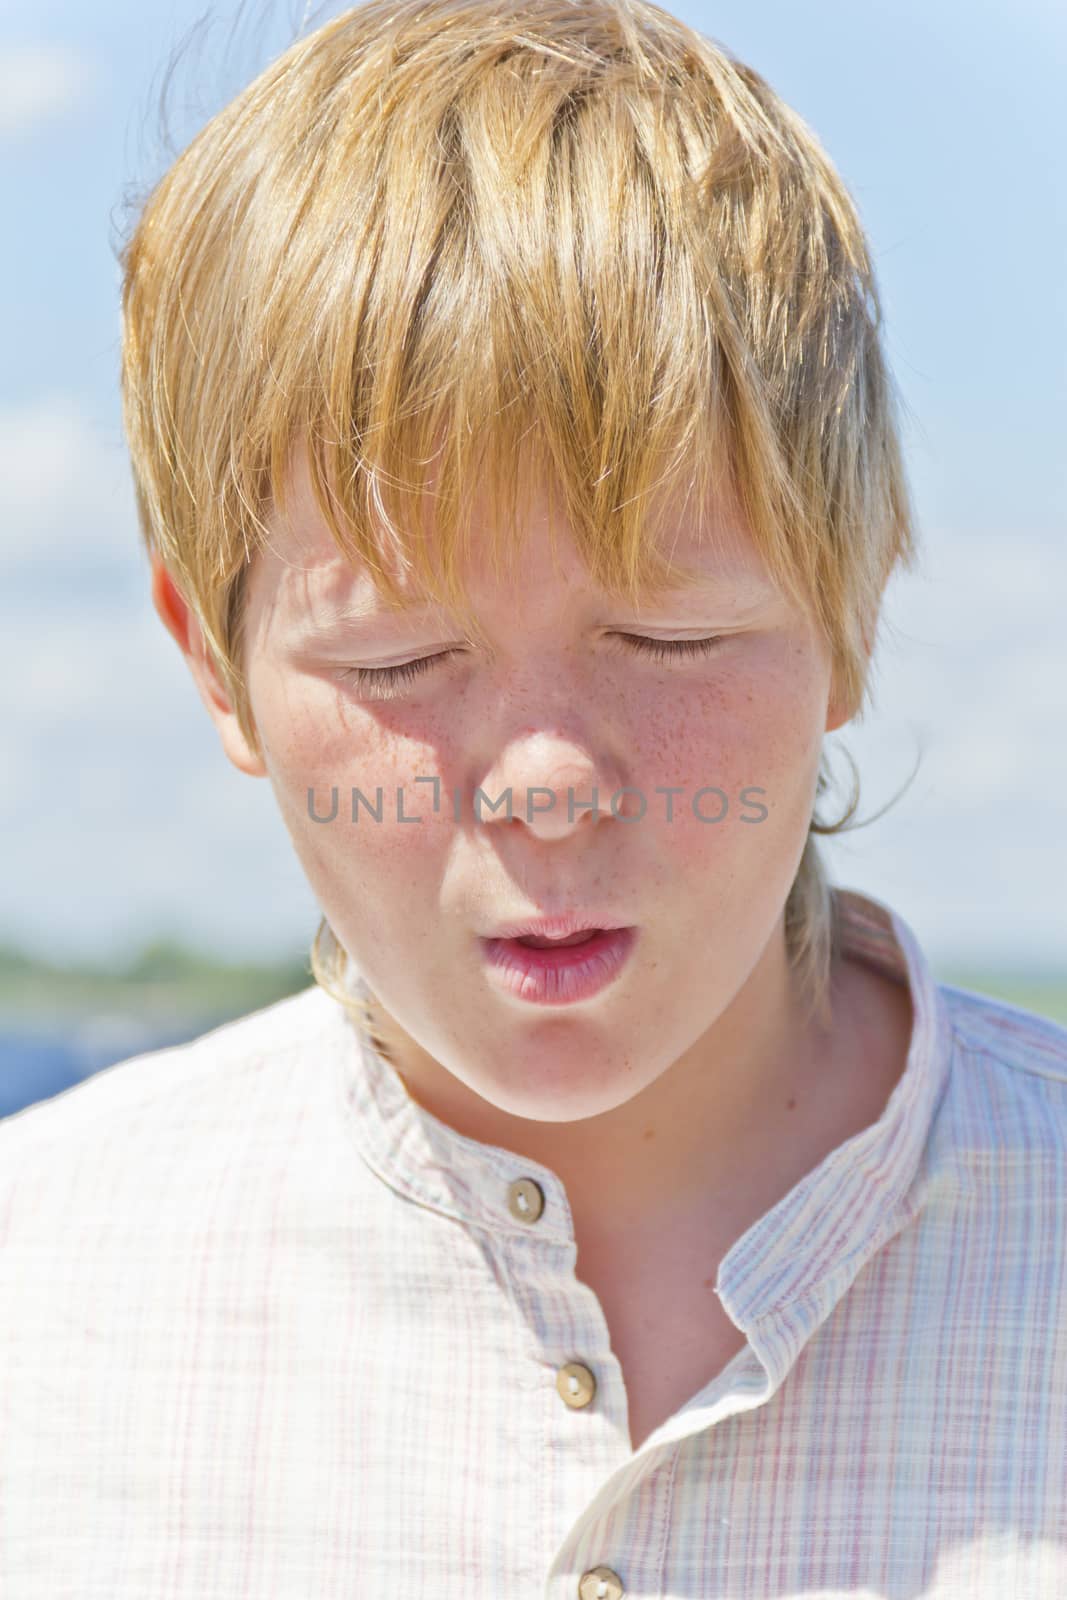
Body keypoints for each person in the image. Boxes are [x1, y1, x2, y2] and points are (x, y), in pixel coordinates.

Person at [2, 0, 1065, 1593]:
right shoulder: (44, 1293)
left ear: (849, 615)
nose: (552, 782)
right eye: (401, 656)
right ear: (213, 665)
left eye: (668, 635)